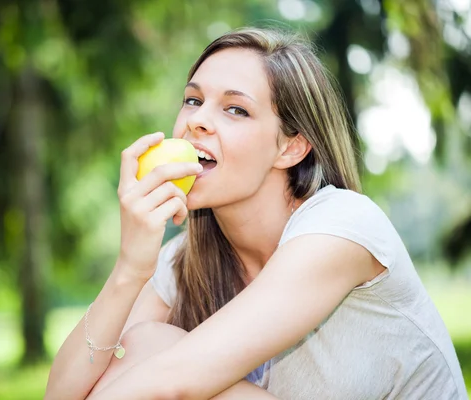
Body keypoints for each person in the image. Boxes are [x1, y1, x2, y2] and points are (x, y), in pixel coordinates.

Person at [44, 27, 468, 400]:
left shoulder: (343, 227)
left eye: (235, 109)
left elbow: (173, 381)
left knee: (154, 352)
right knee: (143, 346)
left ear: (291, 147)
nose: (198, 122)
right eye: (193, 100)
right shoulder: (185, 262)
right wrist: (130, 268)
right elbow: (65, 393)